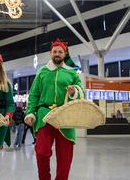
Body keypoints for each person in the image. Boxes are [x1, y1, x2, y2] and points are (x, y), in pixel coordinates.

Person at [25, 39, 85, 180]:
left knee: (65, 156)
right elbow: (34, 94)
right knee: (41, 152)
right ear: (50, 53)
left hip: (65, 117)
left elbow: (82, 91)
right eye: (55, 51)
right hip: (44, 116)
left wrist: (73, 92)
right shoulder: (42, 72)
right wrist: (30, 112)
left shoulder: (72, 73)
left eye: (60, 52)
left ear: (65, 54)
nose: (57, 54)